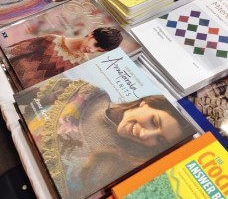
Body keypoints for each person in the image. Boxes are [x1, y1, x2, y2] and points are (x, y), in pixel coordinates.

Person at [26, 78, 193, 199]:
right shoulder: (87, 94)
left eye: (159, 140)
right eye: (153, 121)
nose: (144, 134)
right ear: (145, 103)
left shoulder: (124, 168)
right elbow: (23, 100)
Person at [5, 27, 123, 88]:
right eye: (95, 44)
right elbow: (14, 51)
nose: (92, 50)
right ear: (91, 34)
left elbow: (54, 88)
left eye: (99, 50)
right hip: (5, 74)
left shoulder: (82, 65)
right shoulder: (52, 39)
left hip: (18, 94)